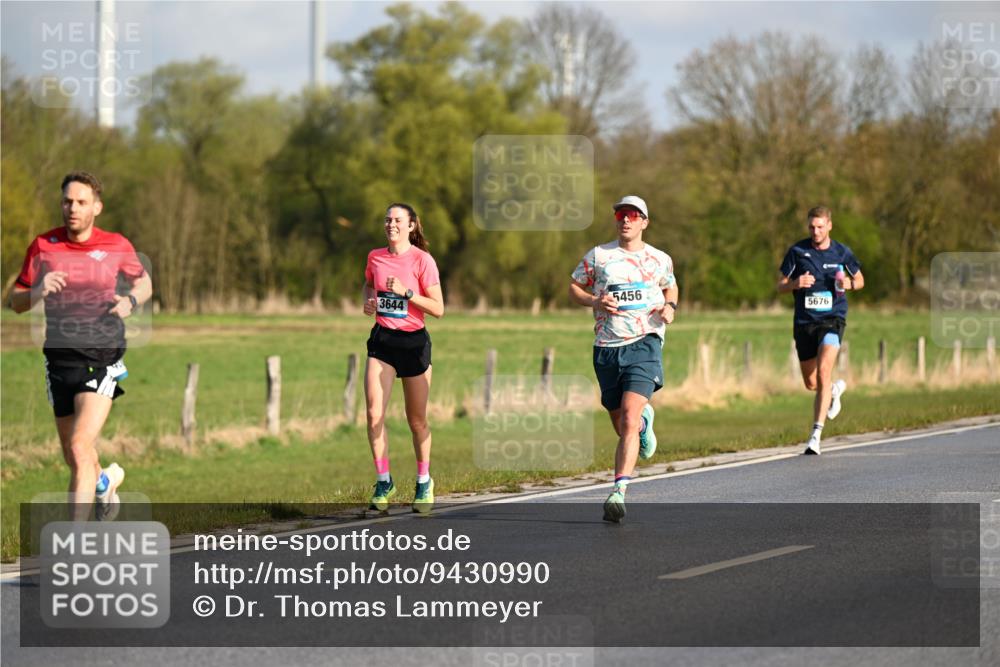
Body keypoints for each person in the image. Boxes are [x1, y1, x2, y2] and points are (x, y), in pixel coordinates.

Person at [8, 171, 152, 520]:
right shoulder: (44, 246)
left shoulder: (116, 245)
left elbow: (144, 282)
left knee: (78, 444)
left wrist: (130, 303)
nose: (72, 208)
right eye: (67, 201)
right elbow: (15, 300)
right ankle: (105, 481)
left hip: (102, 355)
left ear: (96, 207)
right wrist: (40, 291)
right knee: (75, 456)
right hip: (59, 359)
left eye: (81, 202)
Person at [569, 195, 677, 523]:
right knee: (622, 424)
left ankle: (619, 491)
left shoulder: (659, 259)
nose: (625, 220)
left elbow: (671, 287)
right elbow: (574, 286)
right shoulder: (599, 256)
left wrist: (669, 307)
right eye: (620, 215)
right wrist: (594, 302)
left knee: (628, 418)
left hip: (645, 343)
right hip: (606, 347)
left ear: (644, 221)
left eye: (632, 215)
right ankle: (645, 424)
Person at [362, 203, 444, 514]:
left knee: (417, 420)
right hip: (382, 340)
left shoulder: (423, 261)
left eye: (397, 220)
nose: (390, 224)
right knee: (373, 415)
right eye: (387, 219)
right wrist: (368, 302)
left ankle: (424, 481)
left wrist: (408, 293)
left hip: (413, 344)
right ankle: (384, 481)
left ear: (411, 225)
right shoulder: (375, 257)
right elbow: (369, 286)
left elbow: (438, 309)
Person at [777, 205, 864, 455]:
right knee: (812, 382)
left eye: (820, 226)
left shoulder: (841, 252)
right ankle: (834, 390)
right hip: (804, 322)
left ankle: (815, 435)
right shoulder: (797, 251)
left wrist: (849, 283)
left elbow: (860, 279)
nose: (815, 231)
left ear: (829, 226)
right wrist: (795, 283)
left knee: (825, 370)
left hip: (833, 318)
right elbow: (780, 285)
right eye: (812, 227)